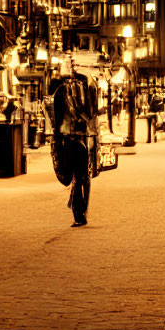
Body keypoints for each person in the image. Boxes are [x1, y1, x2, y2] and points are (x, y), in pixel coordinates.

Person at [51, 71, 98, 227]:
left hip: (68, 141)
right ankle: (81, 210)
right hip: (84, 140)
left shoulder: (60, 94)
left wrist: (56, 143)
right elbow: (93, 118)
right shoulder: (88, 92)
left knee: (76, 178)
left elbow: (56, 122)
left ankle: (78, 213)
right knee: (83, 177)